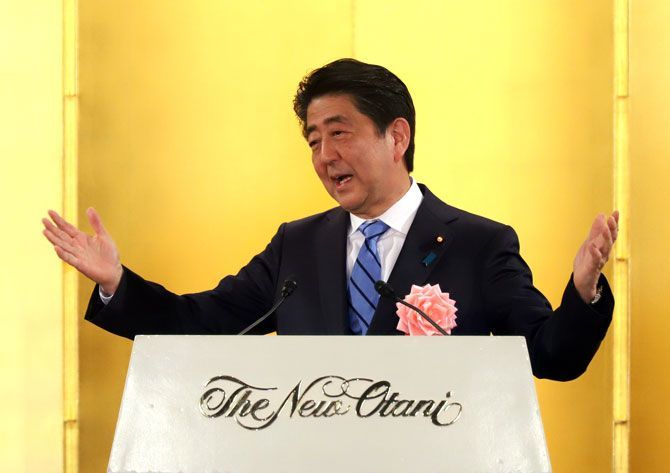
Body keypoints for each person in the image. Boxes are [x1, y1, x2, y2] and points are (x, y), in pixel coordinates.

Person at [42, 58, 618, 381]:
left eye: (339, 133)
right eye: (314, 140)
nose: (324, 156)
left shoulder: (478, 244)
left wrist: (584, 292)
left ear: (397, 136)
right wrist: (117, 283)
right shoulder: (297, 245)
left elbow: (551, 355)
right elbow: (201, 324)